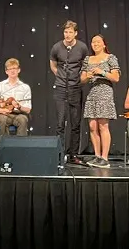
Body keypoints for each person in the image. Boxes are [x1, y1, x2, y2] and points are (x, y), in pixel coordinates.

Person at [49, 20, 89, 165]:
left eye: (70, 32)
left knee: (75, 123)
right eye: (66, 32)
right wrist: (59, 75)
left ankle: (73, 154)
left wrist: (80, 77)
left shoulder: (82, 47)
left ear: (75, 33)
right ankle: (60, 154)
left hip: (75, 88)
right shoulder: (57, 47)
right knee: (60, 123)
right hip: (60, 88)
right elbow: (53, 64)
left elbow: (86, 65)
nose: (67, 34)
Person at [81, 34, 120, 168]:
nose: (95, 44)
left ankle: (105, 157)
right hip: (92, 93)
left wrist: (102, 72)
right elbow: (82, 79)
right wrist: (88, 76)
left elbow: (116, 78)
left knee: (103, 125)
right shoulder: (88, 59)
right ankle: (97, 156)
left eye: (98, 42)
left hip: (105, 92)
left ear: (104, 44)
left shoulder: (110, 58)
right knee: (92, 126)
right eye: (93, 42)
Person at [0, 57, 32, 136]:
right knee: (2, 119)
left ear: (19, 70)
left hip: (17, 115)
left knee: (23, 119)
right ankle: (5, 146)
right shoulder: (0, 85)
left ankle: (20, 147)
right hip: (2, 114)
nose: (12, 70)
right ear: (6, 71)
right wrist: (1, 110)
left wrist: (19, 107)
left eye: (14, 68)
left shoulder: (25, 87)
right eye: (10, 69)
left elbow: (28, 110)